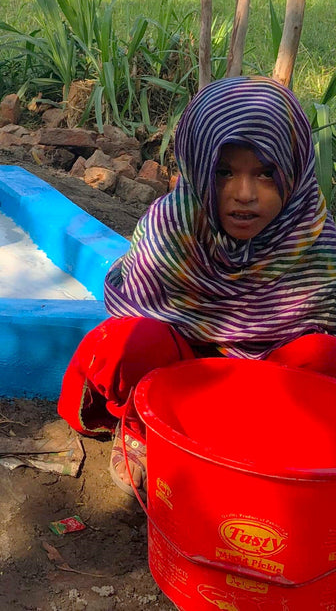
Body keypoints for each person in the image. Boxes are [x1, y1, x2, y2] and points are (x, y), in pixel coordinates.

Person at [58, 76, 336, 494]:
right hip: (177, 376)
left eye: (265, 173)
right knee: (128, 340)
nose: (244, 194)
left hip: (268, 391)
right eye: (224, 172)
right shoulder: (171, 229)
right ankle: (142, 427)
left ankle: (270, 449)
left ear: (294, 169)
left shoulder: (318, 243)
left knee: (323, 355)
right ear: (198, 164)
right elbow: (135, 317)